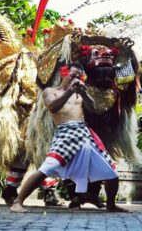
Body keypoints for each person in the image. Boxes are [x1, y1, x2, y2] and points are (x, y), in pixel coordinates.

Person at [10, 62, 127, 213]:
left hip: (84, 133)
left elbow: (94, 109)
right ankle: (17, 201)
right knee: (47, 168)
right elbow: (52, 107)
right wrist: (70, 92)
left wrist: (84, 94)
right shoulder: (50, 92)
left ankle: (111, 204)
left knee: (111, 173)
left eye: (79, 77)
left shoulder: (81, 92)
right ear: (64, 73)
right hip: (65, 133)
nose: (75, 79)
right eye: (73, 75)